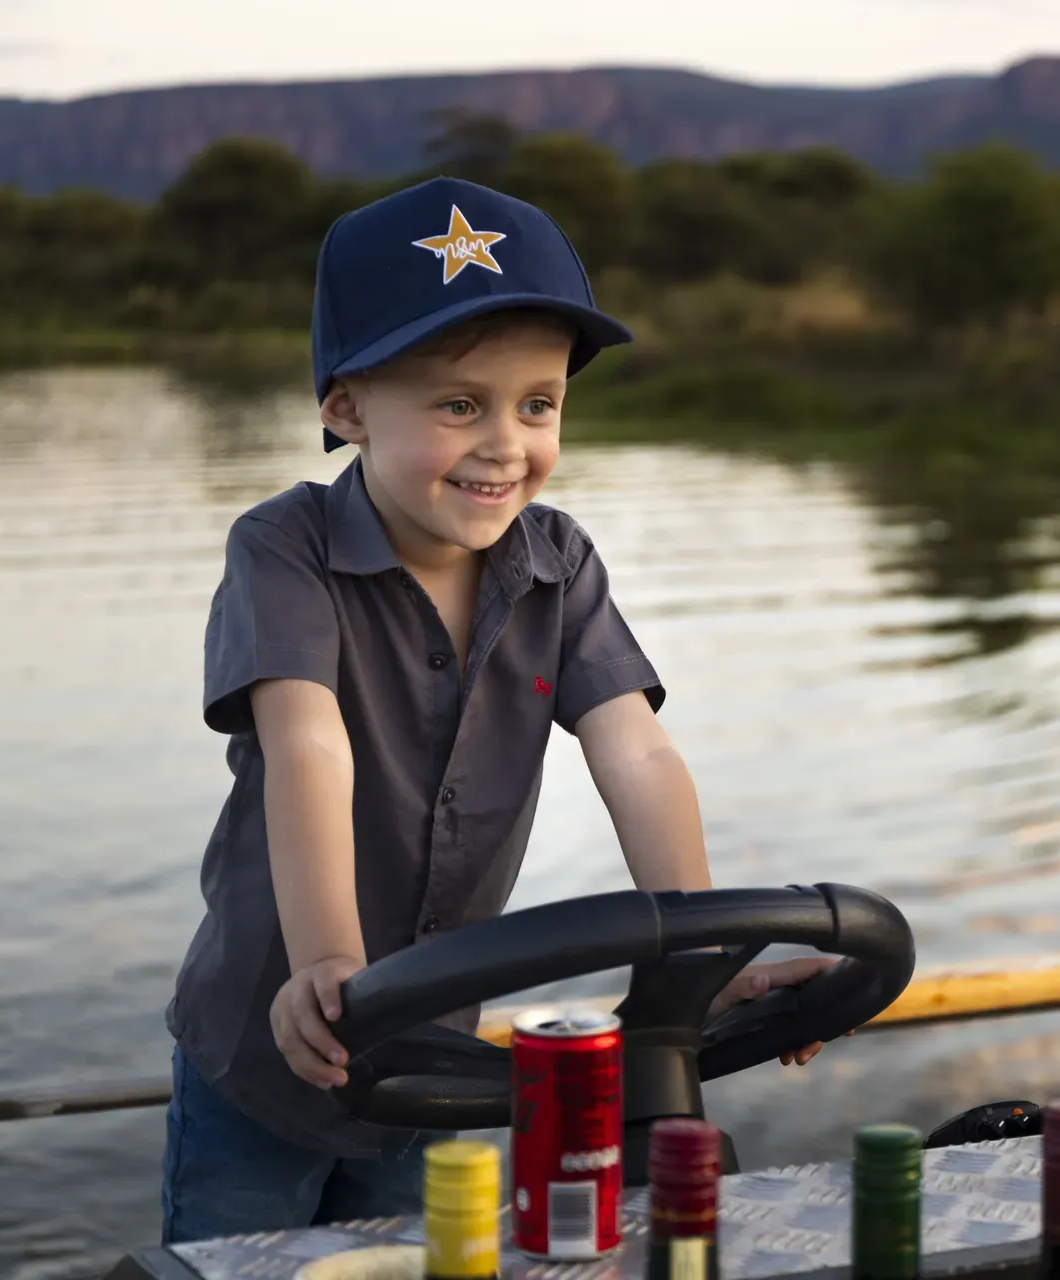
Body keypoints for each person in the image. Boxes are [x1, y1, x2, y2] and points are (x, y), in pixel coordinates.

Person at [161, 177, 829, 1241]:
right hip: (272, 1044)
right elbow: (308, 746)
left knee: (399, 1253)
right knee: (238, 1261)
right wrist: (330, 958)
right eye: (458, 404)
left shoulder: (557, 561)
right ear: (345, 406)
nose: (505, 444)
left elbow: (637, 752)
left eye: (539, 403)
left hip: (433, 1047)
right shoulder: (284, 549)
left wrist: (707, 952)